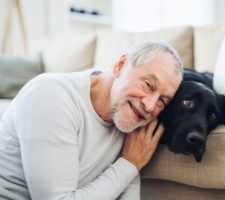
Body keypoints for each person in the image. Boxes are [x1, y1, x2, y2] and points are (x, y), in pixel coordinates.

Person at [0, 41, 184, 199]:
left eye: (162, 100)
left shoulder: (130, 115)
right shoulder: (51, 96)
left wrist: (130, 166)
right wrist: (130, 164)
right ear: (120, 65)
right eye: (148, 85)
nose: (150, 106)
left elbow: (126, 189)